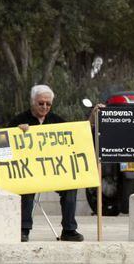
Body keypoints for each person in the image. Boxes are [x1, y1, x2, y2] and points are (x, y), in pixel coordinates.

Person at [9, 85, 84, 242]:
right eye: (41, 103)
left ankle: (69, 230)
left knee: (71, 186)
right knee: (28, 187)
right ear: (32, 102)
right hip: (29, 174)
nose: (44, 107)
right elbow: (4, 143)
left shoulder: (58, 121)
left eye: (48, 104)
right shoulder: (18, 121)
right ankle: (23, 229)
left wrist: (91, 121)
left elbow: (74, 140)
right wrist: (16, 132)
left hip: (53, 173)